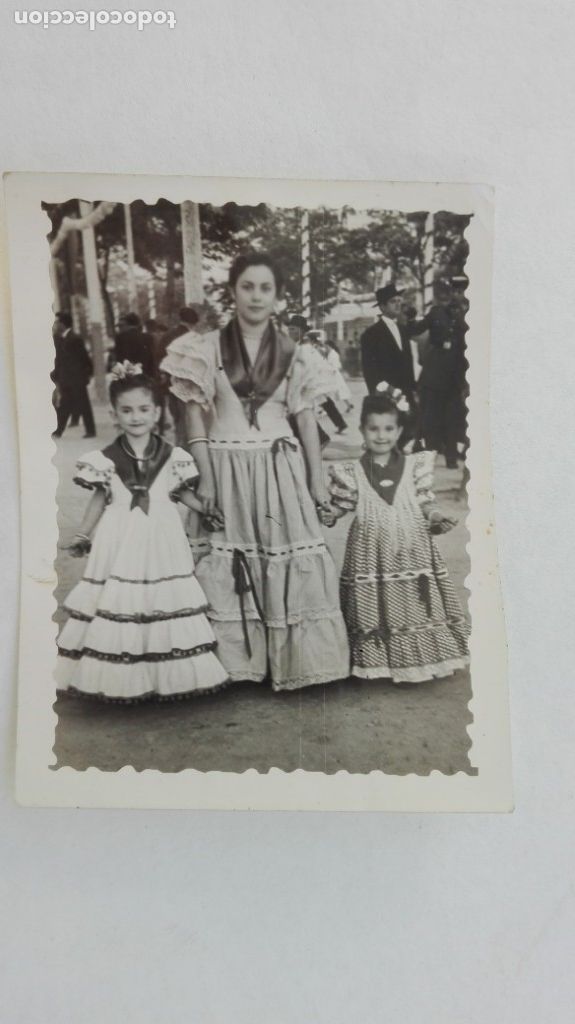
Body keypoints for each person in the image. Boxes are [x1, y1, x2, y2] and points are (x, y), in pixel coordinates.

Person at [161, 252, 350, 691]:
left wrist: (316, 480)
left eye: (266, 288)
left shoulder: (296, 354)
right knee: (231, 555)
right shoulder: (203, 348)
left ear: (278, 296)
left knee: (285, 555)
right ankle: (235, 664)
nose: (256, 296)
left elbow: (305, 420)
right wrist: (205, 478)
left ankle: (293, 662)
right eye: (248, 286)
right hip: (225, 467)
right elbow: (194, 420)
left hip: (278, 466)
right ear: (233, 291)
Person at [55, 362, 228, 702]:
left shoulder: (172, 455)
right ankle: (122, 676)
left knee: (162, 600)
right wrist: (83, 534)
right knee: (121, 600)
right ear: (115, 414)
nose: (136, 417)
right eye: (127, 410)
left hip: (161, 536)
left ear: (157, 411)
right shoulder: (106, 458)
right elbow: (99, 500)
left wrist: (205, 508)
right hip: (120, 537)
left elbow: (181, 493)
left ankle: (169, 675)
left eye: (144, 409)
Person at [325, 386, 469, 682]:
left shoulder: (414, 466)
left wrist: (435, 515)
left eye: (389, 428)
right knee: (374, 601)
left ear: (399, 429)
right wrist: (329, 513)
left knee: (414, 600)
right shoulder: (352, 472)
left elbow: (425, 501)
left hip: (411, 546)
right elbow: (342, 504)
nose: (381, 435)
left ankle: (420, 658)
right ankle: (378, 661)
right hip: (369, 550)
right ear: (362, 430)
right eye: (373, 428)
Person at [409, 285, 468, 467]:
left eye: (462, 291)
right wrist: (409, 318)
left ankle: (451, 457)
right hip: (434, 372)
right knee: (430, 415)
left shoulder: (467, 317)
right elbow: (416, 329)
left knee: (451, 417)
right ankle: (429, 454)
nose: (458, 295)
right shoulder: (436, 313)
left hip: (454, 375)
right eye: (456, 291)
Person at [359, 285, 416, 400]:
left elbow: (408, 364)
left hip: (406, 395)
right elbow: (370, 371)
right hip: (386, 397)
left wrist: (413, 390)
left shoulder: (403, 330)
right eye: (392, 301)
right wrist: (380, 393)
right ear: (382, 307)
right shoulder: (371, 334)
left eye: (399, 300)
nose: (398, 304)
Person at [159, 306, 204, 444]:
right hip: (189, 384)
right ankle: (186, 448)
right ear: (194, 323)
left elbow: (160, 357)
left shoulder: (167, 335)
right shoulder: (194, 338)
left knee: (177, 418)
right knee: (189, 418)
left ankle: (179, 445)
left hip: (171, 382)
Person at [51, 312, 96, 438]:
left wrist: (86, 375)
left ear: (63, 324)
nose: (55, 324)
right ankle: (58, 431)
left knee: (83, 404)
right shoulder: (61, 339)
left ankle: (90, 431)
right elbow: (59, 360)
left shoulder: (75, 339)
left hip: (77, 379)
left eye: (57, 322)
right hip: (66, 378)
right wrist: (56, 376)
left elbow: (85, 359)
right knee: (65, 405)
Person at [114, 312, 156, 378]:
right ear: (138, 323)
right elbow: (152, 359)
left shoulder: (120, 337)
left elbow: (119, 359)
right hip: (144, 375)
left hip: (127, 376)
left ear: (127, 323)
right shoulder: (148, 337)